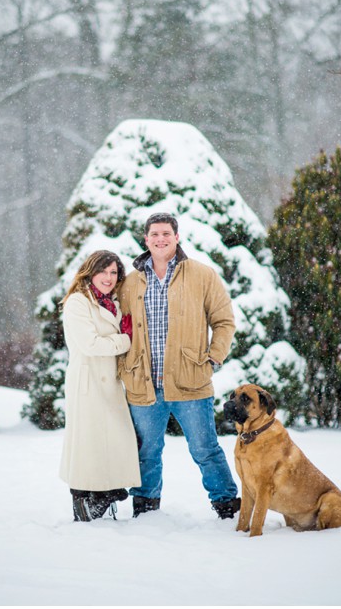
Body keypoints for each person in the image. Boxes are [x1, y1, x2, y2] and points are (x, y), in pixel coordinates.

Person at [116, 213, 241, 519]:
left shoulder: (201, 274)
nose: (160, 239)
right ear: (146, 240)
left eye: (166, 234)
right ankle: (145, 504)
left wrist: (214, 356)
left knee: (205, 449)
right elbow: (118, 325)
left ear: (177, 237)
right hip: (143, 382)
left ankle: (226, 502)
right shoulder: (131, 282)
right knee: (146, 452)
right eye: (154, 234)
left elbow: (223, 321)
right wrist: (123, 365)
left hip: (190, 379)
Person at [59, 250, 141, 521]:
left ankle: (104, 492)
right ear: (90, 272)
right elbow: (90, 344)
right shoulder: (78, 302)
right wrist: (126, 339)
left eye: (114, 272)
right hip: (88, 381)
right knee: (88, 443)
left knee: (113, 440)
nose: (108, 278)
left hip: (110, 381)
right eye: (103, 271)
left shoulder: (112, 302)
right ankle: (85, 500)